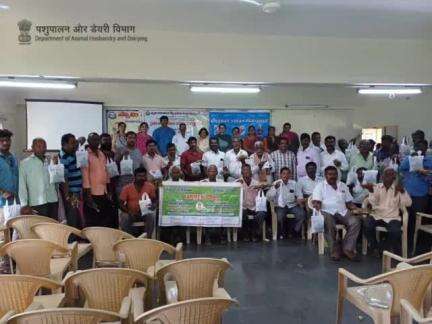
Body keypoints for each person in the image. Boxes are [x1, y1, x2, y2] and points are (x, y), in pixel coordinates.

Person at [312, 166, 360, 261]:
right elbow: (316, 202)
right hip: (327, 211)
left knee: (355, 222)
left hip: (343, 211)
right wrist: (317, 205)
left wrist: (357, 209)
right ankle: (335, 250)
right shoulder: (320, 186)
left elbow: (349, 202)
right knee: (328, 222)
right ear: (325, 175)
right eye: (330, 174)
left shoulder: (342, 185)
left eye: (335, 174)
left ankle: (347, 248)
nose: (333, 176)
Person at [363, 168, 412, 255]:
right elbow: (373, 202)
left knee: (396, 232)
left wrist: (403, 191)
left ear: (394, 177)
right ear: (382, 177)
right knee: (366, 226)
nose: (389, 177)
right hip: (377, 215)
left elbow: (408, 204)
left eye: (392, 175)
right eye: (387, 175)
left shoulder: (398, 188)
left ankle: (382, 247)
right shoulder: (377, 187)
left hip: (392, 217)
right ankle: (375, 245)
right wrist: (371, 191)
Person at [400, 139, 432, 249]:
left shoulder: (430, 160)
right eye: (418, 147)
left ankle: (416, 244)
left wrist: (424, 173)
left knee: (417, 219)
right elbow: (401, 168)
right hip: (407, 193)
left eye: (422, 148)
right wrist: (411, 157)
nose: (420, 150)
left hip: (421, 195)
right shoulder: (409, 157)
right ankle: (405, 241)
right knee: (405, 217)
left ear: (426, 148)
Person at [81, 133, 116, 228]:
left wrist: (108, 190)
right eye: (93, 140)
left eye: (97, 140)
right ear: (88, 141)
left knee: (103, 219)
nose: (96, 142)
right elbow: (85, 175)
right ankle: (91, 240)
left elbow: (106, 172)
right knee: (92, 219)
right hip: (92, 192)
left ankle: (101, 239)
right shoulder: (84, 154)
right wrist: (88, 195)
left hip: (103, 191)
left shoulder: (101, 154)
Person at [19, 138, 58, 219]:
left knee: (53, 228)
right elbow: (22, 185)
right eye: (39, 146)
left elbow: (57, 180)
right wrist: (24, 204)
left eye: (44, 146)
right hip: (36, 203)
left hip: (52, 200)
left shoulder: (50, 160)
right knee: (38, 228)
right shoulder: (25, 163)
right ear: (32, 147)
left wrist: (57, 166)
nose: (42, 149)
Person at [267, 167, 306, 239]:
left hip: (292, 205)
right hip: (280, 206)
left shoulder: (294, 183)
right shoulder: (276, 183)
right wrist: (275, 188)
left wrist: (300, 200)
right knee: (280, 216)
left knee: (302, 214)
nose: (286, 175)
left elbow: (299, 195)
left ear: (290, 175)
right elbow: (269, 197)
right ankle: (282, 233)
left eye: (288, 174)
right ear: (280, 175)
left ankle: (295, 231)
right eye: (284, 173)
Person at [119, 167, 156, 237]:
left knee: (151, 216)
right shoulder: (127, 188)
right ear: (134, 176)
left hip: (144, 213)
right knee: (124, 217)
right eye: (139, 176)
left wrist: (153, 206)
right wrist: (128, 212)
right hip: (130, 213)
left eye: (144, 176)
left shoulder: (150, 187)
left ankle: (147, 239)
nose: (142, 178)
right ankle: (130, 239)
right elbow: (120, 203)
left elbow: (154, 200)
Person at [237, 164, 267, 242]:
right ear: (241, 172)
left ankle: (255, 234)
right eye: (244, 170)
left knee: (261, 214)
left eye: (248, 170)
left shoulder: (256, 183)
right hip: (243, 207)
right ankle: (245, 234)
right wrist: (237, 185)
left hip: (254, 207)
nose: (246, 172)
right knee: (242, 213)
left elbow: (266, 185)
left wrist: (262, 186)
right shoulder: (237, 182)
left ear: (251, 172)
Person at [59, 133, 83, 228]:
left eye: (75, 142)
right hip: (71, 193)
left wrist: (77, 142)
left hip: (77, 191)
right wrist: (67, 195)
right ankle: (72, 239)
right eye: (72, 143)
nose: (75, 145)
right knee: (72, 215)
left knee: (77, 214)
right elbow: (64, 178)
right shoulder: (64, 157)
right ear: (64, 144)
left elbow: (83, 139)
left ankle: (77, 236)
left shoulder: (71, 152)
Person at [0, 129, 19, 222]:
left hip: (14, 203)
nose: (5, 143)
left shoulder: (13, 158)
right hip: (1, 205)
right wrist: (3, 192)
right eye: (2, 140)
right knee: (3, 234)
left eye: (7, 140)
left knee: (14, 233)